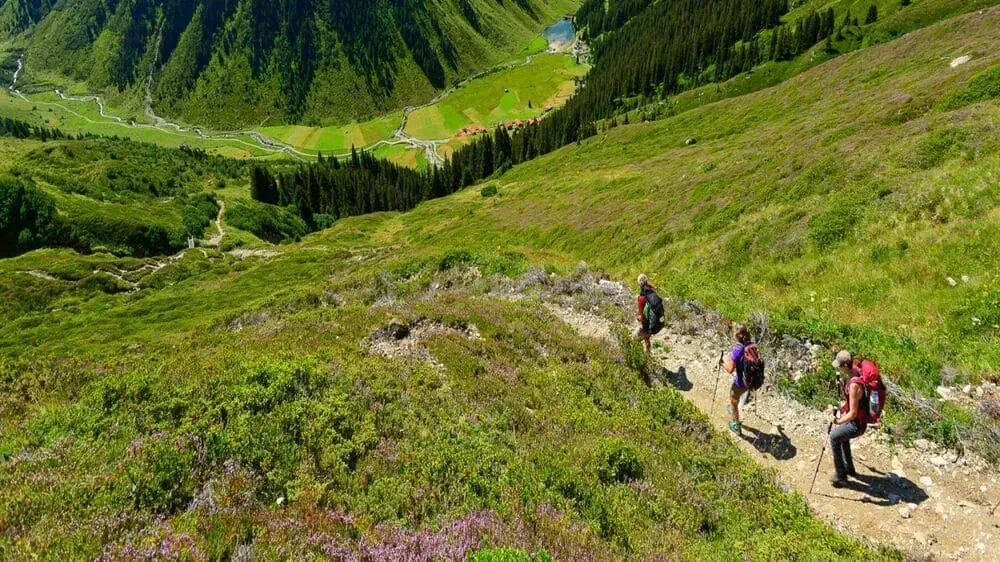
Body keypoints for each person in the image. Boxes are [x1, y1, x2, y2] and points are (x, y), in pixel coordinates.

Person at [829, 350, 867, 487]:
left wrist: (837, 421)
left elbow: (853, 413)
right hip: (857, 421)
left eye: (839, 366)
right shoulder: (854, 372)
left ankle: (841, 475)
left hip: (857, 424)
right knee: (842, 438)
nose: (838, 368)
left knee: (834, 437)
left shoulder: (854, 386)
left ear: (845, 366)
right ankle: (849, 469)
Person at [721, 324, 752, 433]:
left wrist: (722, 363)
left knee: (733, 399)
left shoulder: (737, 349)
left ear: (737, 335)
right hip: (751, 380)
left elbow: (730, 369)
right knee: (737, 396)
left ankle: (736, 425)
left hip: (741, 382)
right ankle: (734, 409)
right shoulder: (751, 345)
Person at [635, 274, 654, 353]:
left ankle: (640, 358)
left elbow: (641, 317)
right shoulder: (653, 292)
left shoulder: (641, 299)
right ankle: (648, 354)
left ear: (640, 284)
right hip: (654, 325)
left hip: (646, 326)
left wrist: (639, 318)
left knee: (634, 339)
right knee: (647, 337)